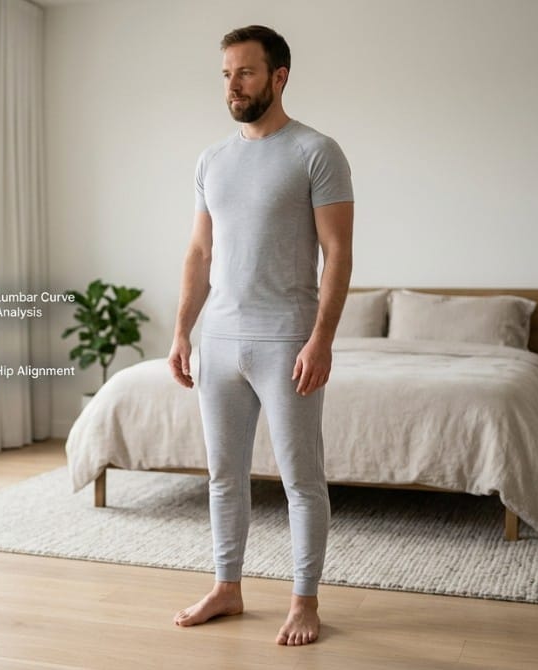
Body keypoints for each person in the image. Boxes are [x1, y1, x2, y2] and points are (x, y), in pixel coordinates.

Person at [167, 25, 354, 646]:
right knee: (223, 476)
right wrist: (181, 332)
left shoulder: (316, 152)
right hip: (218, 340)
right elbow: (200, 253)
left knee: (301, 480)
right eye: (227, 74)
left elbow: (338, 253)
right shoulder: (211, 160)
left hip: (287, 340)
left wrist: (321, 339)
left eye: (245, 73)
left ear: (279, 77)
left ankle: (304, 600)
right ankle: (227, 587)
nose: (233, 85)